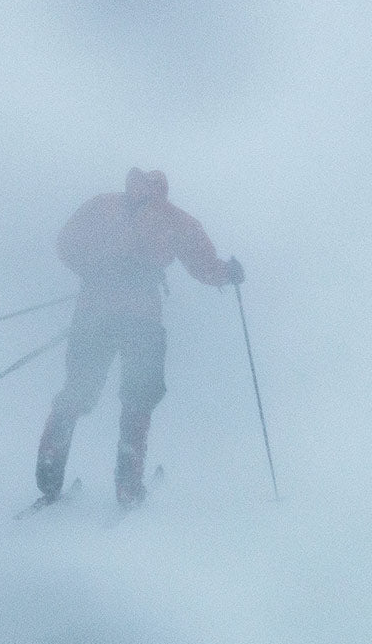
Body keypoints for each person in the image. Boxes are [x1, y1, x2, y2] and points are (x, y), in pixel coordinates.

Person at [36, 167, 244, 508]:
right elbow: (201, 262)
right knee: (138, 399)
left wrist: (93, 270)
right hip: (141, 320)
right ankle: (129, 489)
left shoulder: (102, 206)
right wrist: (228, 274)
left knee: (79, 389)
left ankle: (48, 477)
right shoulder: (171, 218)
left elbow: (66, 244)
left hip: (94, 313)